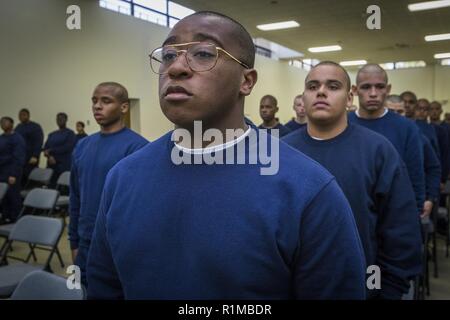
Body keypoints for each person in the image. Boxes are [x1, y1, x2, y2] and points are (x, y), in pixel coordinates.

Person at [86, 11, 366, 300]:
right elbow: (103, 286)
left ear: (246, 81)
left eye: (204, 54)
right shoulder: (123, 177)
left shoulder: (308, 190)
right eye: (169, 55)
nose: (176, 68)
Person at [283, 61, 422, 299]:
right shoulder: (282, 152)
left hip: (361, 288)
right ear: (303, 98)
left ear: (349, 99)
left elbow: (400, 230)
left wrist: (385, 290)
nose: (321, 91)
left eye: (333, 86)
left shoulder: (378, 151)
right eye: (312, 86)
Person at [69, 82, 148, 285]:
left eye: (106, 101)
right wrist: (74, 241)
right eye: (94, 101)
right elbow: (75, 196)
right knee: (80, 290)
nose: (97, 106)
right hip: (85, 242)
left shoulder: (138, 148)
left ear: (123, 107)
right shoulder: (82, 145)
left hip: (117, 245)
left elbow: (140, 208)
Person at [348, 64, 425, 215]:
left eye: (379, 87)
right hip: (352, 212)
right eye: (366, 87)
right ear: (355, 90)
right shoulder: (342, 123)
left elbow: (415, 174)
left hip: (395, 213)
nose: (373, 93)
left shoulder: (407, 128)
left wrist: (415, 212)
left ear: (388, 89)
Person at [0, 117, 26, 223]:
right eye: (1, 122)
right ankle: (5, 216)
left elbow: (18, 158)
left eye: (5, 122)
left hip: (12, 171)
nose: (3, 124)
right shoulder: (2, 137)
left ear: (11, 124)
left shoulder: (17, 138)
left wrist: (13, 174)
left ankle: (15, 219)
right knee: (4, 196)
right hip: (1, 171)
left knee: (13, 196)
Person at [43, 113, 76, 186]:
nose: (59, 120)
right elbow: (45, 147)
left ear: (66, 120)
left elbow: (67, 147)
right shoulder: (52, 134)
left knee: (63, 188)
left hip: (63, 165)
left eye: (61, 119)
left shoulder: (70, 133)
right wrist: (49, 156)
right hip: (51, 165)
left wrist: (51, 151)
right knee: (50, 186)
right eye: (58, 119)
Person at [14, 108, 44, 186]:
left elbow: (38, 142)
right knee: (20, 181)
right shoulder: (18, 127)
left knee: (31, 180)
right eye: (19, 115)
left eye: (23, 115)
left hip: (30, 158)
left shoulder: (35, 127)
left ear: (28, 116)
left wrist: (35, 155)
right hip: (20, 158)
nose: (21, 117)